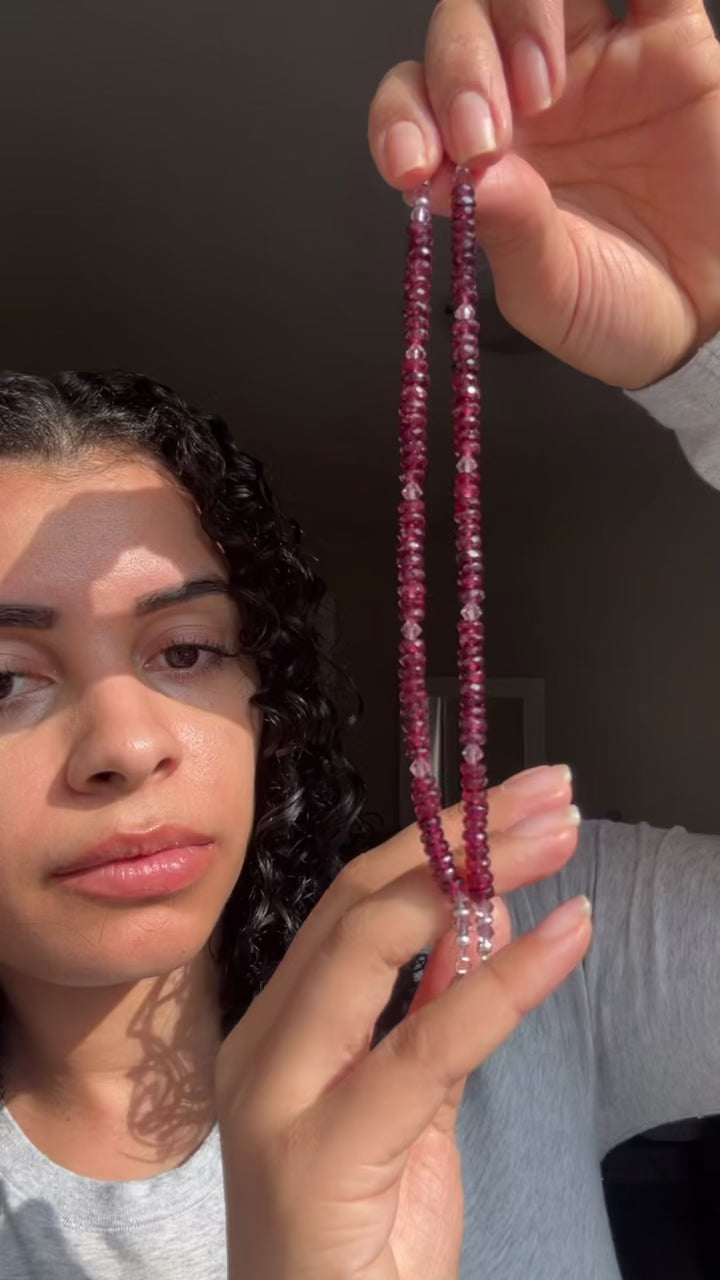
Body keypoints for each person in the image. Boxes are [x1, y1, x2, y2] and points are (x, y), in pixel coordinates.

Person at [0, 4, 719, 1280]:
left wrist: (710, 371)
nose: (123, 744)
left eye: (184, 651)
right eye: (7, 681)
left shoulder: (512, 940)